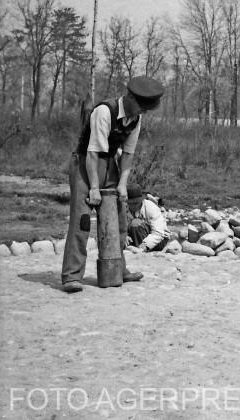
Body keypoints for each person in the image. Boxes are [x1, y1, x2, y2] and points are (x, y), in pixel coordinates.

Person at [61, 76, 164, 293]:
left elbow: (127, 155)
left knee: (119, 219)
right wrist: (94, 188)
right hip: (85, 163)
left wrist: (123, 185)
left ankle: (119, 269)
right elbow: (92, 153)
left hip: (111, 164)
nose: (141, 112)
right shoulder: (104, 112)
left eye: (145, 109)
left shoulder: (136, 118)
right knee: (81, 220)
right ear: (129, 97)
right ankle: (72, 275)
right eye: (140, 107)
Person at [126, 184, 170, 252]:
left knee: (135, 223)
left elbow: (158, 233)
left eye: (136, 203)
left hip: (160, 240)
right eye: (130, 203)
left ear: (141, 200)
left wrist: (143, 247)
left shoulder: (151, 207)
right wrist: (124, 236)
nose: (133, 206)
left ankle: (140, 249)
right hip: (137, 236)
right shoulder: (124, 208)